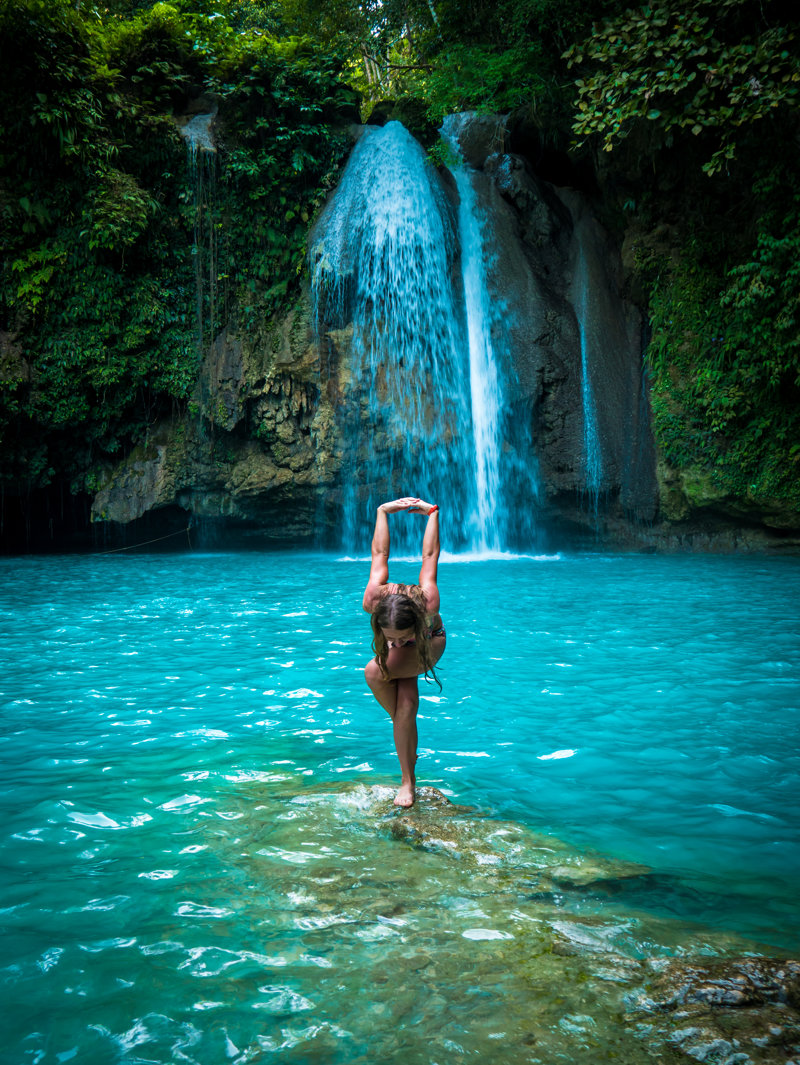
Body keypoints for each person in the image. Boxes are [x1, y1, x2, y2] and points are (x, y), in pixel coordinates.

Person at [362, 496, 446, 808]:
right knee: (406, 704)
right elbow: (379, 552)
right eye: (389, 639)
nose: (395, 644)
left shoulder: (427, 602)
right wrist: (382, 510)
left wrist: (432, 513)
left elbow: (430, 556)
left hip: (431, 642)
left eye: (401, 638)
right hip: (413, 643)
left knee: (376, 674)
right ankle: (406, 746)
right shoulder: (375, 598)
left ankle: (407, 779)